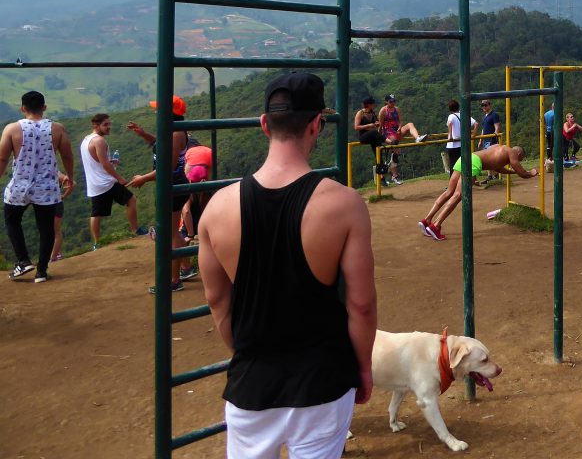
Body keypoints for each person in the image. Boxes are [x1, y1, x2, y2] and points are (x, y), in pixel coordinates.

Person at [198, 72, 376, 458]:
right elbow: (360, 305)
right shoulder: (344, 204)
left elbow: (218, 302)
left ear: (265, 124)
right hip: (323, 381)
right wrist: (363, 368)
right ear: (316, 124)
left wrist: (252, 356)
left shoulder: (217, 208)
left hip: (250, 385)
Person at [0, 91, 74, 283]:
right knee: (46, 228)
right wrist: (70, 178)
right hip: (47, 187)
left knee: (12, 221)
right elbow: (67, 156)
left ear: (22, 108)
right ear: (44, 107)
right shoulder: (57, 129)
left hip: (19, 186)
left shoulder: (11, 129)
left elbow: (2, 159)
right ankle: (41, 271)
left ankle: (23, 261)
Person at [126, 95, 196, 292]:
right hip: (173, 186)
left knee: (170, 234)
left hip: (172, 187)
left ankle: (173, 281)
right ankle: (186, 268)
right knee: (173, 232)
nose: (156, 112)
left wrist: (144, 178)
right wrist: (143, 134)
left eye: (159, 109)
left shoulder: (175, 134)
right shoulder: (171, 130)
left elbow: (168, 166)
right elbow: (161, 145)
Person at [418, 144, 537, 240]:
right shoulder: (511, 152)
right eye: (519, 159)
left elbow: (497, 168)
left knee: (449, 192)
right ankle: (436, 226)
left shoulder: (499, 148)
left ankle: (426, 220)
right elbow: (521, 172)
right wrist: (531, 173)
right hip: (474, 163)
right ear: (519, 154)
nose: (515, 161)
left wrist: (513, 172)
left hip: (467, 157)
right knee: (458, 195)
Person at [82, 113, 141, 250]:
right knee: (131, 200)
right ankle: (135, 230)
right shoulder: (99, 141)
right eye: (105, 124)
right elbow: (104, 164)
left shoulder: (86, 140)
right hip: (106, 182)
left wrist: (111, 162)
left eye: (109, 124)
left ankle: (97, 243)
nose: (109, 127)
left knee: (96, 213)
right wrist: (119, 178)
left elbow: (96, 161)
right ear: (96, 126)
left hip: (94, 184)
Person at [379, 94, 428, 186]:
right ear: (386, 102)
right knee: (395, 152)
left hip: (396, 131)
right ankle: (395, 175)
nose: (393, 103)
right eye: (391, 101)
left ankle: (417, 138)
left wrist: (400, 127)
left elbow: (400, 121)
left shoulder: (396, 109)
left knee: (410, 124)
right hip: (388, 133)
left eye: (394, 101)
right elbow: (381, 125)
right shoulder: (383, 110)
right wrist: (380, 137)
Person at [353, 97, 389, 187]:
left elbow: (376, 123)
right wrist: (369, 125)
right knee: (373, 132)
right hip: (363, 137)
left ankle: (382, 178)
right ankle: (388, 141)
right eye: (373, 104)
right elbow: (356, 127)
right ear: (369, 104)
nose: (375, 105)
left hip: (372, 136)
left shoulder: (372, 113)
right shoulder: (360, 113)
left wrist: (377, 124)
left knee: (379, 152)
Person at [445, 99, 477, 175]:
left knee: (454, 165)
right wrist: (474, 135)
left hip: (452, 145)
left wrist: (451, 136)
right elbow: (476, 124)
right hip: (463, 144)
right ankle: (469, 181)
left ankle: (453, 184)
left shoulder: (451, 116)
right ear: (458, 107)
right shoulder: (464, 114)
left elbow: (449, 124)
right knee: (465, 164)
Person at [478, 99, 502, 182]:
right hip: (485, 140)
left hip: (491, 140)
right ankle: (490, 175)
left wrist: (494, 136)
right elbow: (483, 129)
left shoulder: (494, 115)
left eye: (485, 105)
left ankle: (495, 174)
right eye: (482, 105)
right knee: (486, 158)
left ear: (489, 105)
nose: (484, 107)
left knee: (492, 158)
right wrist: (480, 140)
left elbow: (497, 127)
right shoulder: (485, 117)